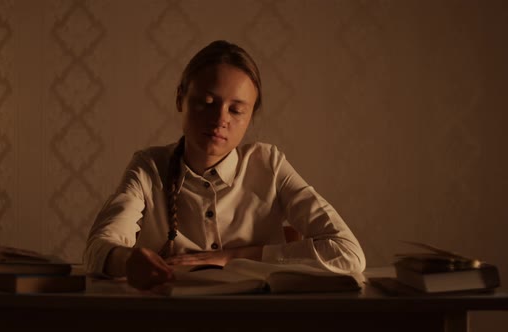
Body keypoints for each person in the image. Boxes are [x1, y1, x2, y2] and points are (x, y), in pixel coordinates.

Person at [84, 40, 365, 290]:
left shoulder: (270, 165)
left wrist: (234, 256)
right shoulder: (149, 167)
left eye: (236, 110)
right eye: (207, 102)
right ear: (180, 97)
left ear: (250, 115)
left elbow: (347, 253)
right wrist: (127, 261)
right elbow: (98, 248)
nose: (220, 119)